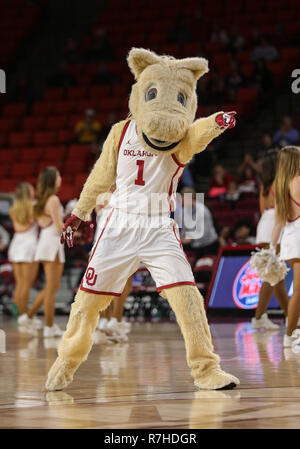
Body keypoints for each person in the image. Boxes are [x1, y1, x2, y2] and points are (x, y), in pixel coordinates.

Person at [251, 150, 289, 330]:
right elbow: (283, 209)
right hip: (276, 225)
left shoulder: (264, 186)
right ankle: (291, 317)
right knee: (276, 275)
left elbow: (262, 209)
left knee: (271, 275)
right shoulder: (279, 183)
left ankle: (259, 317)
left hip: (265, 223)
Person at [27, 167, 65, 338]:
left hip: (45, 241)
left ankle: (29, 316)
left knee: (53, 286)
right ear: (52, 180)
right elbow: (59, 226)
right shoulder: (54, 199)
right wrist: (74, 231)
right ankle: (49, 327)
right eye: (58, 176)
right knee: (51, 288)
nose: (60, 178)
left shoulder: (41, 200)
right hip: (52, 243)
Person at [271, 146, 300, 347]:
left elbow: (278, 222)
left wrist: (272, 249)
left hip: (290, 240)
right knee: (298, 290)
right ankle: (289, 334)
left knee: (298, 290)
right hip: (298, 238)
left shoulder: (281, 185)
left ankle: (291, 332)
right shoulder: (298, 180)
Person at [8, 183, 41, 330]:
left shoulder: (13, 209)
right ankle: (24, 317)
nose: (35, 191)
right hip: (28, 246)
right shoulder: (33, 207)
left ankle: (22, 315)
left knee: (20, 284)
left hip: (16, 244)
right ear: (28, 192)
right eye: (32, 189)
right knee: (26, 284)